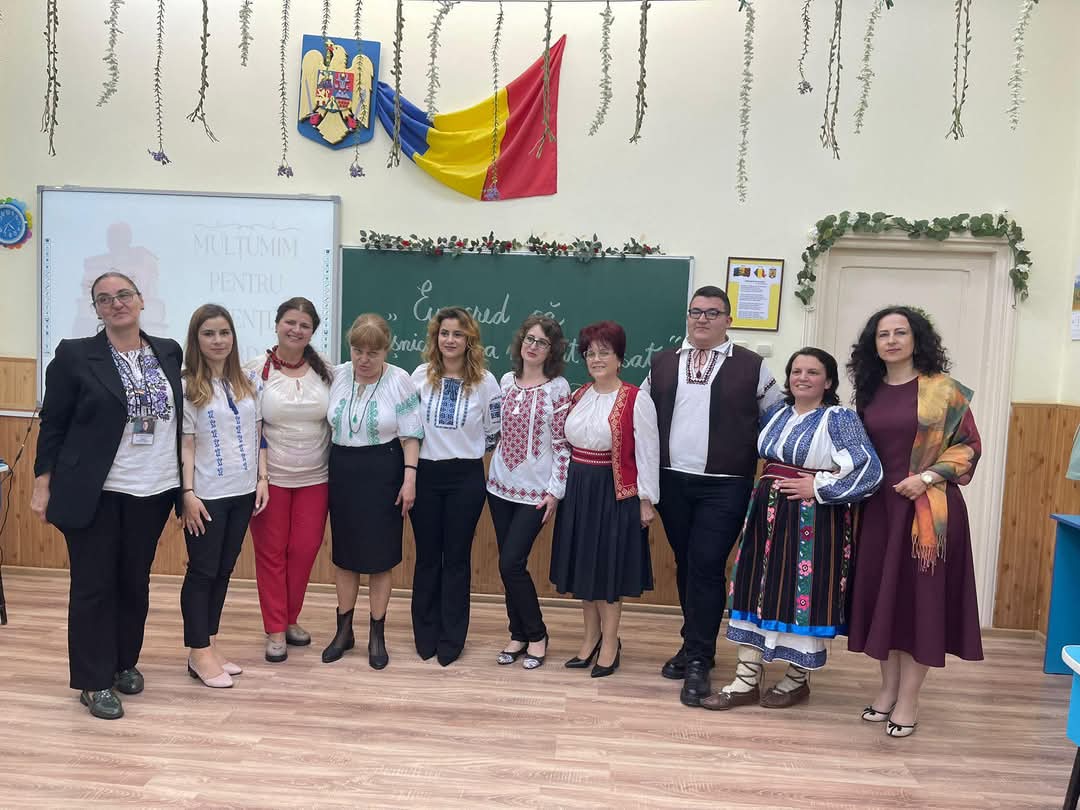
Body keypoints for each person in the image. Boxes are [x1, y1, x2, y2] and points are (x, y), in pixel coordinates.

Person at [30, 271, 183, 720]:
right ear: (96, 309)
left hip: (153, 488)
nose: (116, 303)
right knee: (93, 586)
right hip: (95, 490)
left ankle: (122, 662)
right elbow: (53, 423)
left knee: (134, 582)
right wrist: (42, 483)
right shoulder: (75, 355)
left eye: (123, 295)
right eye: (104, 298)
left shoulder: (168, 351)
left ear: (141, 300)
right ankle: (93, 681)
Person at [701, 348, 882, 711]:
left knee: (803, 592)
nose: (802, 377)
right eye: (796, 371)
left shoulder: (838, 418)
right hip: (765, 513)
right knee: (755, 587)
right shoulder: (777, 414)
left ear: (828, 381)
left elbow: (869, 470)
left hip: (814, 519)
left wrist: (818, 487)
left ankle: (797, 680)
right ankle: (745, 680)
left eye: (812, 372)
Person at [846, 306, 983, 739]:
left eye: (900, 332)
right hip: (878, 511)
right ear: (873, 345)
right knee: (883, 600)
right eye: (883, 334)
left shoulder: (943, 390)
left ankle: (909, 699)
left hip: (928, 513)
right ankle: (887, 690)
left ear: (916, 339)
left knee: (919, 603)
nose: (891, 340)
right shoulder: (868, 391)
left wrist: (925, 477)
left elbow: (969, 447)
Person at [642, 285, 782, 707]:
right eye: (695, 312)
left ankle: (700, 658)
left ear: (728, 320)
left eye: (712, 312)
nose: (702, 319)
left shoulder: (753, 366)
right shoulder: (662, 362)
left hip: (726, 483)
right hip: (671, 481)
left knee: (706, 565)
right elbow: (641, 418)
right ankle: (693, 643)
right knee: (687, 564)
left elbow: (777, 421)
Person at [550, 321, 659, 678]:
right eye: (590, 353)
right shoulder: (579, 395)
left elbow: (647, 452)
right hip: (579, 489)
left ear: (620, 358)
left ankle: (610, 643)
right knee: (585, 568)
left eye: (604, 352)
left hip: (614, 493)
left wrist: (646, 500)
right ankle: (590, 638)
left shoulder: (636, 399)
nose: (596, 359)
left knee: (607, 571)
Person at [322, 314, 423, 669]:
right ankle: (343, 631)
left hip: (384, 471)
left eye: (372, 353)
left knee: (380, 559)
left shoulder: (400, 380)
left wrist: (409, 479)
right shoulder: (337, 375)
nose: (363, 359)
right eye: (357, 351)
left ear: (386, 351)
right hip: (343, 471)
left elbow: (412, 435)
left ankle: (376, 635)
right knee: (345, 556)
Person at [179, 304, 269, 688]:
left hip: (243, 492)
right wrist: (187, 493)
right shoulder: (187, 387)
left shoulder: (247, 382)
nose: (218, 341)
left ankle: (209, 646)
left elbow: (259, 433)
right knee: (202, 572)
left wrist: (262, 478)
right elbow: (185, 445)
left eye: (224, 333)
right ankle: (198, 651)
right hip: (206, 496)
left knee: (223, 570)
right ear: (196, 340)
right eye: (209, 334)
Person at [410, 307, 502, 666]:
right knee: (427, 558)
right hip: (425, 476)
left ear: (469, 340)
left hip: (465, 478)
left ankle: (452, 638)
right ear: (436, 338)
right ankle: (425, 634)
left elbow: (494, 433)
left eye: (458, 334)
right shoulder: (419, 376)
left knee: (457, 560)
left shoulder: (486, 382)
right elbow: (409, 429)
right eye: (444, 333)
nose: (450, 340)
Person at [245, 297, 333, 663]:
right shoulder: (254, 371)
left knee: (304, 551)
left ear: (312, 332)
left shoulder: (327, 370)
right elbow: (249, 427)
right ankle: (276, 629)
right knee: (271, 553)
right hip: (270, 480)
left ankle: (290, 617)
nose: (296, 330)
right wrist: (260, 476)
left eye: (304, 325)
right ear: (277, 324)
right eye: (290, 322)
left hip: (317, 478)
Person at [486, 316, 571, 670]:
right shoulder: (505, 381)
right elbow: (494, 431)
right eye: (529, 339)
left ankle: (537, 634)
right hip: (499, 486)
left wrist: (555, 491)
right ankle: (517, 634)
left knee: (512, 563)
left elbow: (563, 445)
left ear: (552, 351)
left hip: (536, 493)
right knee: (508, 566)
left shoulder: (558, 388)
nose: (533, 346)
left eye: (542, 342)